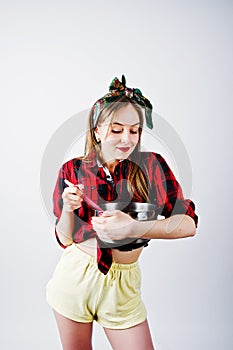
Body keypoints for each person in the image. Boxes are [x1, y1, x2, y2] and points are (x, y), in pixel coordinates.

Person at [46, 75, 198, 350]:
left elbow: (188, 225)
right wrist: (68, 208)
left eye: (135, 130)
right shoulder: (73, 169)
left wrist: (134, 228)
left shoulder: (152, 167)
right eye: (116, 130)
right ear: (97, 131)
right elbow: (65, 239)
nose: (127, 139)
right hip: (75, 278)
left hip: (123, 285)